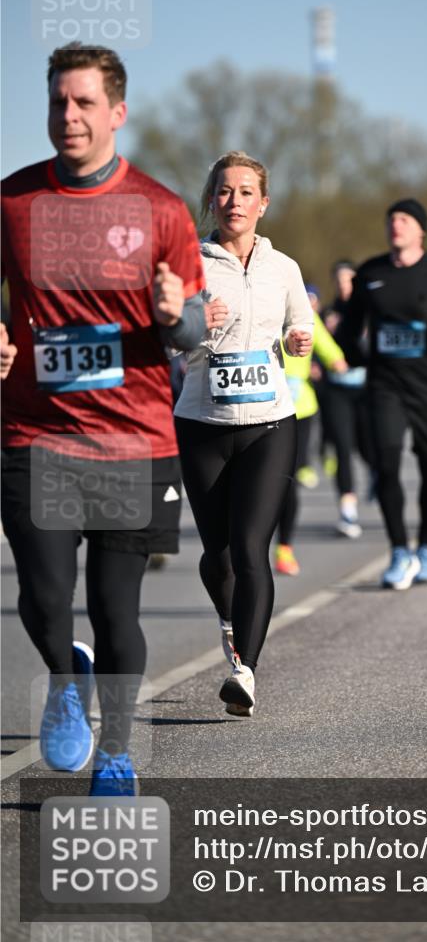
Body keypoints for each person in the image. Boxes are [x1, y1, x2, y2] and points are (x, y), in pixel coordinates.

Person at [1, 43, 205, 795]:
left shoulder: (159, 210)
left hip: (133, 440)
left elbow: (191, 333)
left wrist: (173, 315)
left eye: (84, 103)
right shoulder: (14, 202)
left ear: (117, 112)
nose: (68, 116)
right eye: (58, 101)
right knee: (47, 596)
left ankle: (115, 755)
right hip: (36, 434)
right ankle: (63, 674)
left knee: (117, 608)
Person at [173, 151, 313, 717]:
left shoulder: (285, 268)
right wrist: (195, 329)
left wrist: (298, 339)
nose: (235, 201)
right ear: (212, 201)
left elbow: (299, 321)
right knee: (219, 554)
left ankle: (244, 670)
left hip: (270, 422)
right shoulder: (190, 264)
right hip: (203, 421)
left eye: (246, 191)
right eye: (225, 191)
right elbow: (171, 342)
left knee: (253, 548)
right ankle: (229, 621)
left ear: (264, 203)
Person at [337, 198, 427, 589]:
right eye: (391, 219)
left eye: (404, 219)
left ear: (421, 230)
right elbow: (349, 329)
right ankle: (399, 551)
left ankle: (426, 548)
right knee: (386, 464)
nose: (396, 225)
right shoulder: (370, 273)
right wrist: (355, 355)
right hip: (384, 385)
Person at [275, 287, 348, 576]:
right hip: (259, 407)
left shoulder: (305, 316)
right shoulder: (260, 311)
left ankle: (284, 549)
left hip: (299, 408)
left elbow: (331, 350)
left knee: (287, 480)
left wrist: (336, 362)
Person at [321, 261, 376, 529]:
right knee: (342, 447)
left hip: (365, 388)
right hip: (336, 389)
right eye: (340, 281)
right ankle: (347, 508)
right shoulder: (328, 313)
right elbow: (314, 345)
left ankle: (377, 474)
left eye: (350, 281)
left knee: (366, 445)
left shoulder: (369, 312)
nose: (345, 286)